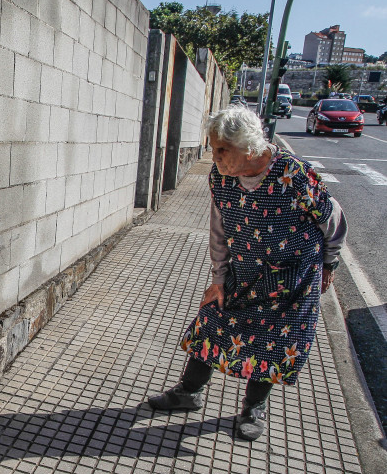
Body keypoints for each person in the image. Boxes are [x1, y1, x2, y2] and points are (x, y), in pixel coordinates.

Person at [148, 105, 347, 441]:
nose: (216, 158)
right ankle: (188, 392)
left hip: (292, 279)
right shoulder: (221, 177)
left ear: (248, 145)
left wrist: (330, 264)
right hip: (243, 270)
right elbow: (218, 229)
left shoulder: (293, 174)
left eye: (222, 150)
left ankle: (253, 408)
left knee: (273, 342)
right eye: (213, 149)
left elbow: (334, 220)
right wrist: (219, 278)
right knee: (211, 323)